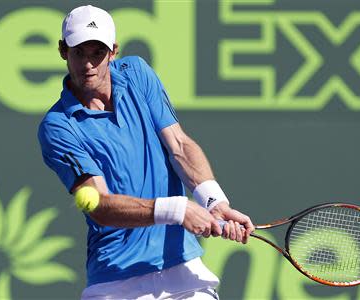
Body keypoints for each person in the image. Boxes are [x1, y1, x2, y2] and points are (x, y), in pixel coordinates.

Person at [38, 5, 254, 300]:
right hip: (116, 283)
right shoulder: (58, 126)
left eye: (96, 53)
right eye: (79, 52)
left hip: (183, 272)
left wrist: (213, 201)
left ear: (113, 51)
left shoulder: (137, 73)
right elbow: (99, 205)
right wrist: (177, 210)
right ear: (63, 51)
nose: (88, 64)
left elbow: (178, 145)